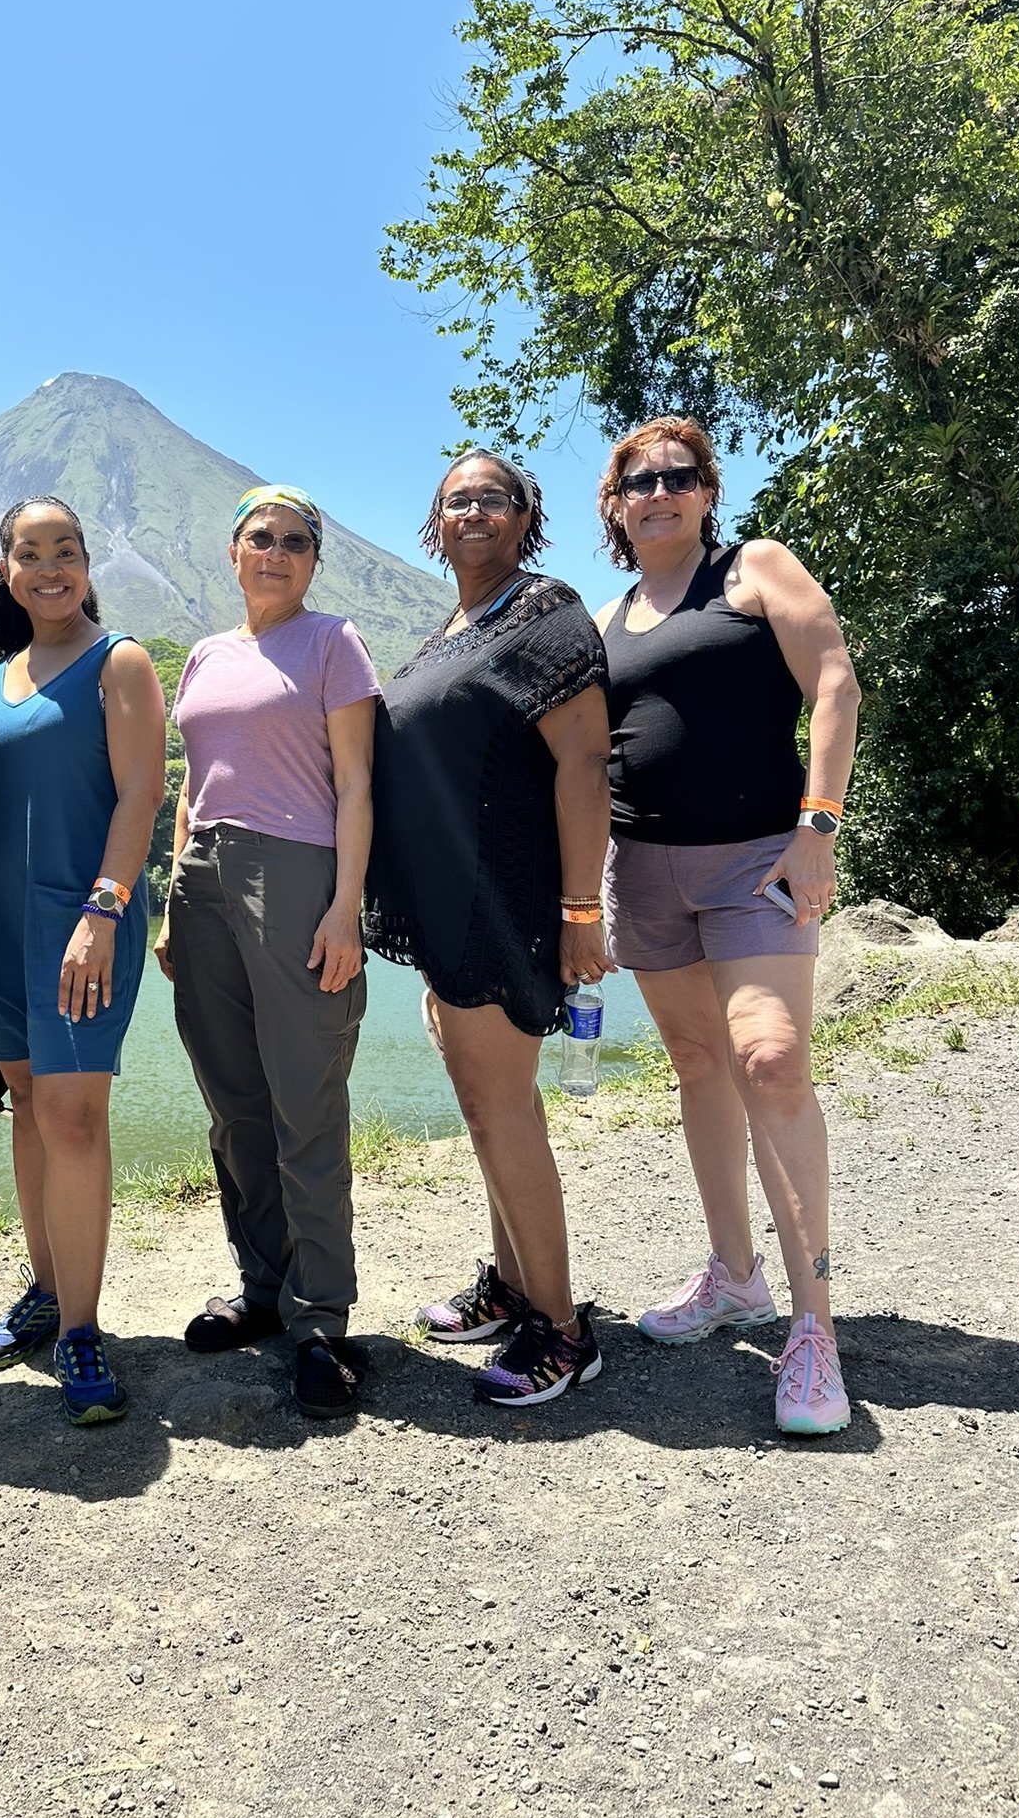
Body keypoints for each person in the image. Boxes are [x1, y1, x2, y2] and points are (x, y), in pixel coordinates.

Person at [592, 416, 861, 1436]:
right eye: (638, 479)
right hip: (644, 869)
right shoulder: (611, 613)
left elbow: (833, 680)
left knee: (772, 1059)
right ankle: (734, 1276)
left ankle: (813, 1329)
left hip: (758, 856)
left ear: (706, 490)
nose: (658, 491)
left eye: (678, 475)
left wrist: (817, 828)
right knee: (699, 1062)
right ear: (616, 505)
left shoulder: (753, 568)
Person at [364, 450, 613, 1409]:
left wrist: (581, 910)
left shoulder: (544, 611)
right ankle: (514, 1287)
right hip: (451, 904)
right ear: (436, 521)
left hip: (502, 899)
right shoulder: (456, 627)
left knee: (500, 1108)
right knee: (488, 1103)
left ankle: (561, 1327)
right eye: (456, 498)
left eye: (493, 498)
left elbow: (585, 764)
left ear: (524, 517)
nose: (474, 509)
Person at [153, 486, 379, 1421]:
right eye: (261, 538)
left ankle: (323, 1318)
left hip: (295, 877)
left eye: (295, 542)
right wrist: (173, 896)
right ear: (234, 551)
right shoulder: (206, 654)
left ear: (312, 561)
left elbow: (358, 782)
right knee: (234, 1106)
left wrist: (344, 910)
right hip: (202, 883)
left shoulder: (333, 643)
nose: (276, 553)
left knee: (305, 1105)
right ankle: (261, 1288)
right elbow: (193, 789)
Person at [0, 497, 166, 1426]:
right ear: (6, 567)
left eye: (66, 551)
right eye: (30, 552)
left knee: (76, 1117)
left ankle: (83, 1328)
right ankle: (44, 1290)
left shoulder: (117, 661)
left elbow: (142, 795)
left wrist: (105, 909)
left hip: (85, 920)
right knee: (30, 1112)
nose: (50, 568)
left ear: (88, 563)